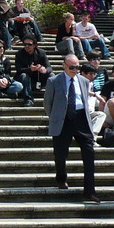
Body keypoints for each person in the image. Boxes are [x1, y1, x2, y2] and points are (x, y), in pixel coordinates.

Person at [44, 55, 99, 203]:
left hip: (81, 118)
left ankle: (90, 191)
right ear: (64, 66)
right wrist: (55, 117)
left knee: (89, 154)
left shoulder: (84, 81)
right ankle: (61, 178)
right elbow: (47, 104)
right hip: (63, 120)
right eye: (71, 67)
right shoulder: (54, 81)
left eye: (77, 67)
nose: (75, 70)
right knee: (60, 154)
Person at [15, 36, 51, 108]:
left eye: (29, 44)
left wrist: (44, 69)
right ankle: (28, 99)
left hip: (39, 79)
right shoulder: (19, 54)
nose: (27, 46)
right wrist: (30, 69)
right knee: (24, 75)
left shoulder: (41, 53)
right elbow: (18, 69)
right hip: (26, 81)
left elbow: (49, 67)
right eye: (25, 44)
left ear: (34, 45)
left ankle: (52, 98)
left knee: (52, 76)